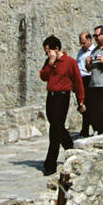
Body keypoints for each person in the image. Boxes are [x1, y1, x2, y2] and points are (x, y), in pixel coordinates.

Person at [39, 34, 85, 176]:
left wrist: (81, 100)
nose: (47, 54)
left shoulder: (69, 62)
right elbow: (43, 77)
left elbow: (77, 81)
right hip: (51, 97)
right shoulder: (49, 62)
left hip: (62, 97)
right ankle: (70, 147)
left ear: (56, 48)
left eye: (49, 51)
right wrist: (50, 64)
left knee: (55, 130)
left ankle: (50, 163)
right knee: (56, 126)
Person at [75, 31, 95, 137]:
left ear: (89, 40)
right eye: (81, 43)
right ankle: (85, 128)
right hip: (80, 79)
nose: (82, 45)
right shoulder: (80, 52)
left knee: (89, 105)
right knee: (82, 104)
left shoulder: (94, 51)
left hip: (89, 78)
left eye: (84, 43)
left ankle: (91, 127)